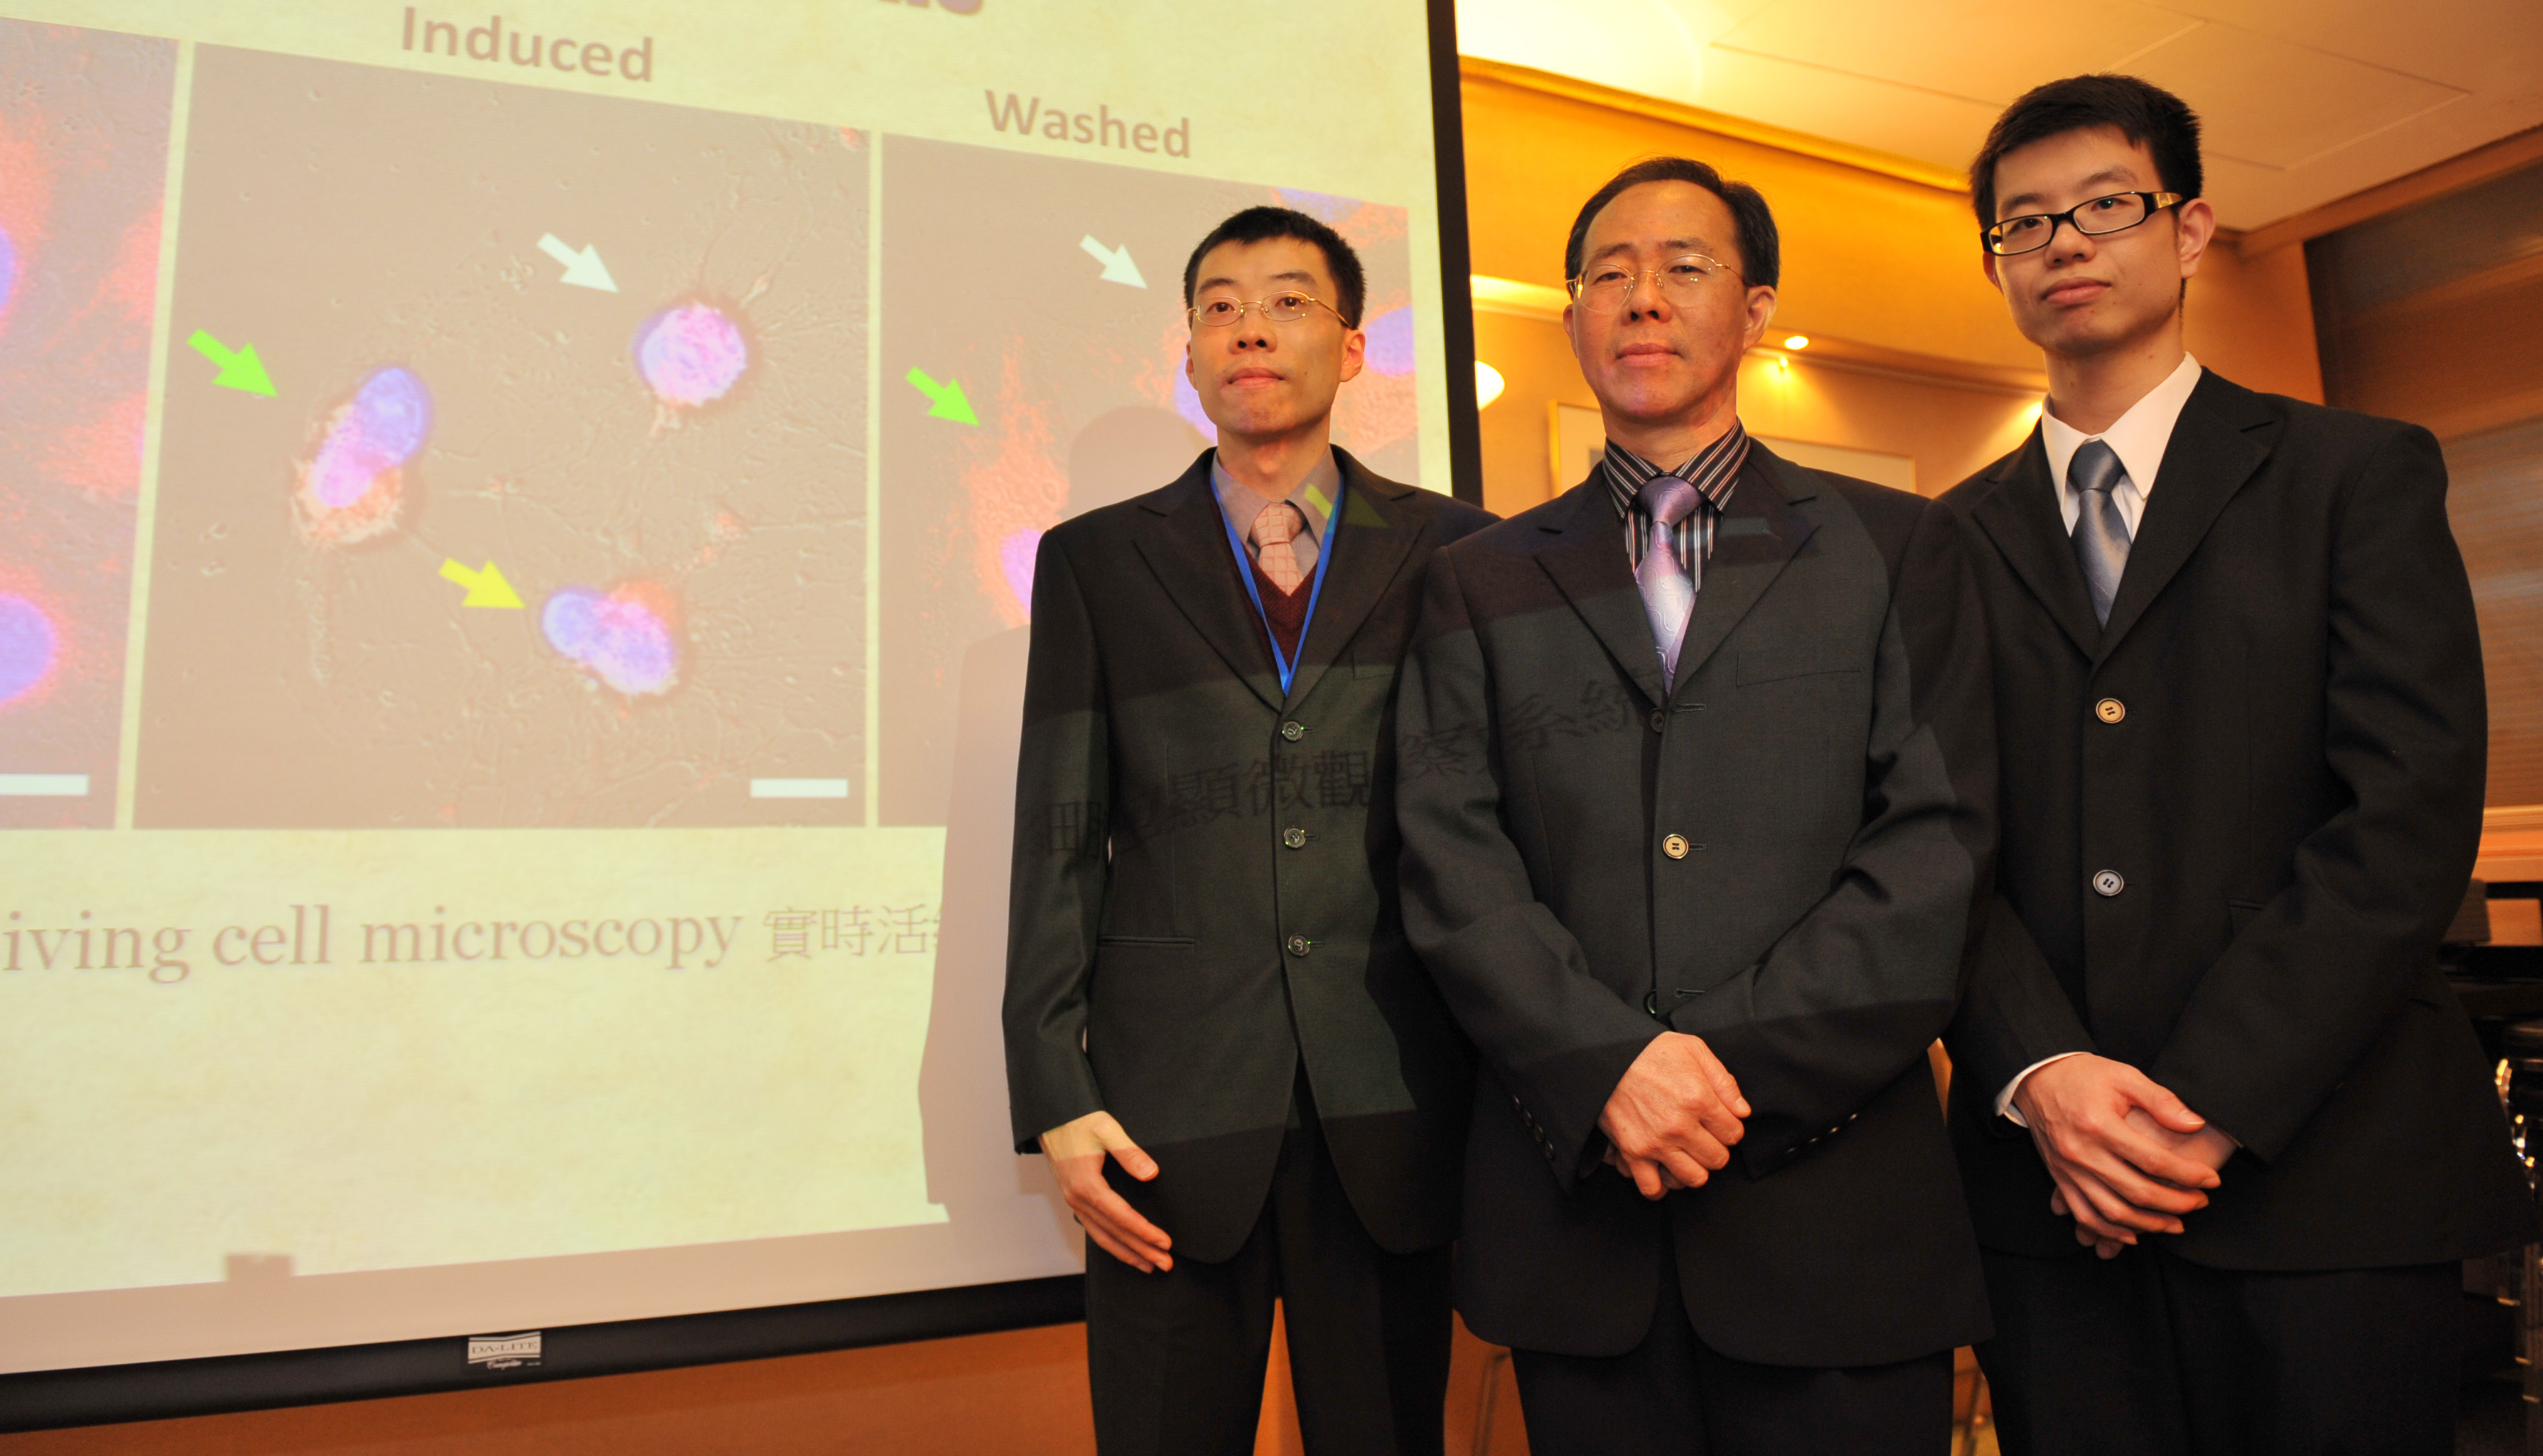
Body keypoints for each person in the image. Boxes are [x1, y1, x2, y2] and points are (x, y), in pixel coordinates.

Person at [1938, 73, 2527, 1456]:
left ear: (2191, 229)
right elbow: (1930, 840)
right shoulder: (1938, 543)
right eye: (2024, 224)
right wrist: (2045, 1079)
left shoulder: (2354, 473)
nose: (2063, 243)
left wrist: (2204, 1107)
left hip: (2326, 1173)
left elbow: (2405, 810)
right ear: (1998, 266)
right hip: (2051, 1184)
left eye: (2105, 206)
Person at [1396, 157, 1996, 1454]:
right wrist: (1606, 1064)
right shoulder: (1478, 578)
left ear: (1758, 306)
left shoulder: (1897, 546)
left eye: (1684, 268)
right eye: (1606, 274)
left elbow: (1933, 847)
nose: (1641, 300)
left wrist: (1714, 1074)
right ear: (1570, 318)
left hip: (1833, 1216)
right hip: (1581, 1223)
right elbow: (1451, 858)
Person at [1003, 206, 1493, 1455]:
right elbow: (1059, 831)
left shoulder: (1460, 553)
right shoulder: (1096, 562)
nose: (1247, 330)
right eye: (1217, 306)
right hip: (1164, 1120)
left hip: (1390, 1098)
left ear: (1354, 347)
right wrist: (1054, 1088)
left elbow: (1492, 836)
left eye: (1283, 301)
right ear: (1188, 352)